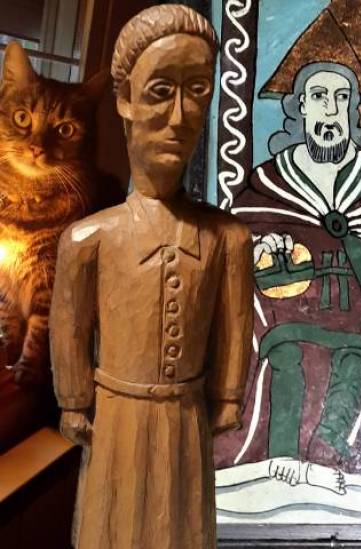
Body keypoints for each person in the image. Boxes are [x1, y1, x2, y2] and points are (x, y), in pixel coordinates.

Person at [49, 6, 253, 548]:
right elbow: (69, 326)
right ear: (125, 100)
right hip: (114, 418)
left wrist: (228, 395)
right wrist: (73, 399)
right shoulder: (88, 240)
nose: (180, 116)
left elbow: (234, 325)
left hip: (186, 421)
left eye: (198, 91)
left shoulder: (228, 239)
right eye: (161, 91)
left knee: (182, 527)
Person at [218, 62, 361, 478]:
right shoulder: (271, 180)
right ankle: (283, 456)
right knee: (288, 353)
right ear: (302, 106)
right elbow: (241, 235)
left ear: (353, 110)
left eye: (342, 99)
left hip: (356, 309)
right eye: (320, 97)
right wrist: (263, 247)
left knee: (357, 360)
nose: (331, 110)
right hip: (289, 307)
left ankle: (327, 454)